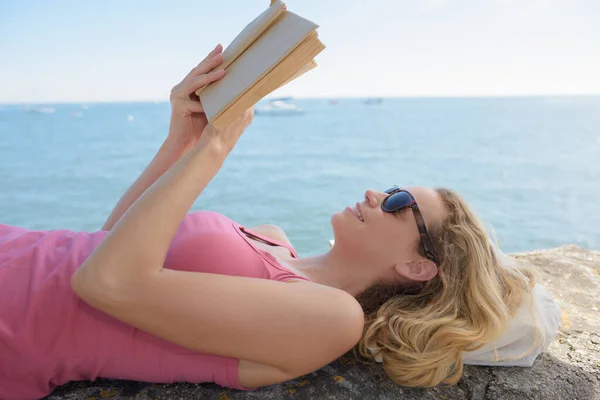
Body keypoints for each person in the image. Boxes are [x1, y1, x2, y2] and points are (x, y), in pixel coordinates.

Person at [0, 44, 560, 400]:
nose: (375, 192)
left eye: (397, 202)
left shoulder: (331, 319)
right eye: (390, 187)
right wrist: (184, 136)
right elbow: (104, 246)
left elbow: (104, 283)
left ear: (417, 265)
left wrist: (214, 151)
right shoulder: (272, 238)